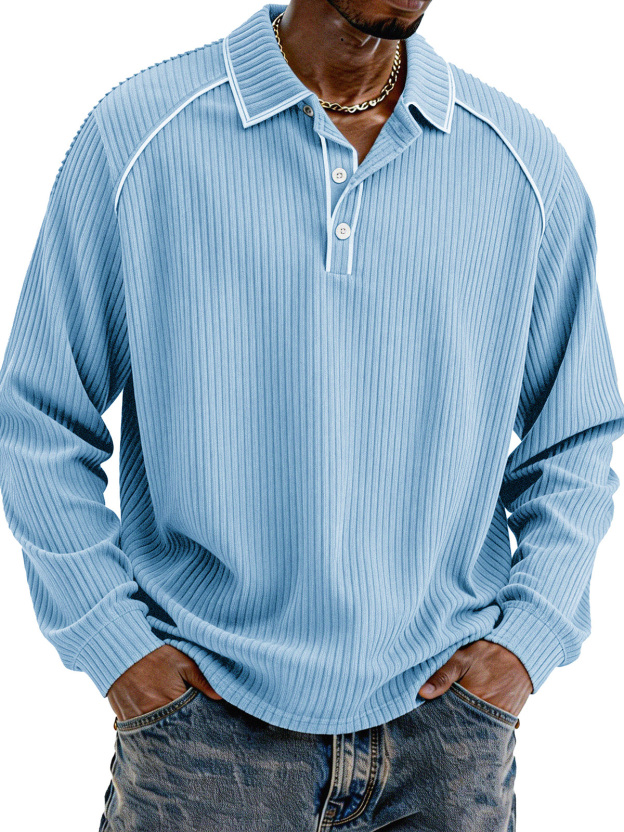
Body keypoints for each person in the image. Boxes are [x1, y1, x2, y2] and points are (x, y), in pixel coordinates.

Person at [1, 1, 622, 829]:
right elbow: (39, 417)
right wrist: (114, 644)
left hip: (446, 738)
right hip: (204, 729)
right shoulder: (141, 137)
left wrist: (527, 640)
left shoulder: (521, 161)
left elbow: (575, 434)